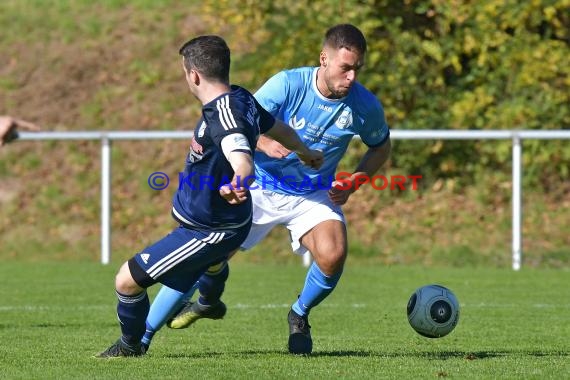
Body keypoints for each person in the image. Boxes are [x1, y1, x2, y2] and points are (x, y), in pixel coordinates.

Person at [143, 23, 391, 355]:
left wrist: (355, 181)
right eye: (345, 68)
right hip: (258, 184)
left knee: (333, 255)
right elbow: (239, 117)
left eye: (357, 70)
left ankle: (299, 315)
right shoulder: (288, 84)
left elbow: (381, 147)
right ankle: (144, 336)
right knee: (201, 254)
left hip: (311, 194)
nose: (352, 78)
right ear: (324, 59)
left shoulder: (364, 106)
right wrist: (263, 143)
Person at [96, 35, 323, 358]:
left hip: (209, 229)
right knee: (212, 265)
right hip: (223, 223)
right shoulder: (241, 97)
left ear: (194, 75)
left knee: (127, 281)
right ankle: (209, 301)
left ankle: (130, 346)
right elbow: (279, 129)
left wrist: (240, 181)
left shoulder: (224, 116)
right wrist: (305, 151)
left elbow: (240, 157)